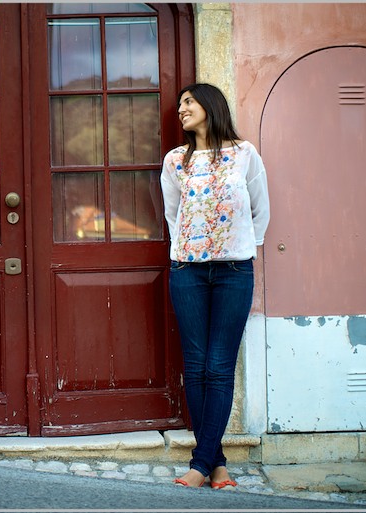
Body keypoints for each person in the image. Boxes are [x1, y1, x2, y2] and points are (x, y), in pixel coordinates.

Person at [160, 83, 270, 488]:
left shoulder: (245, 154)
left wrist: (239, 247)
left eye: (189, 102)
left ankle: (200, 462)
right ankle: (216, 462)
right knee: (196, 365)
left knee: (219, 368)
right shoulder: (175, 161)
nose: (182, 109)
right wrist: (191, 249)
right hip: (187, 270)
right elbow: (174, 216)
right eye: (180, 105)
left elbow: (261, 209)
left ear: (210, 105)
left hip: (234, 273)